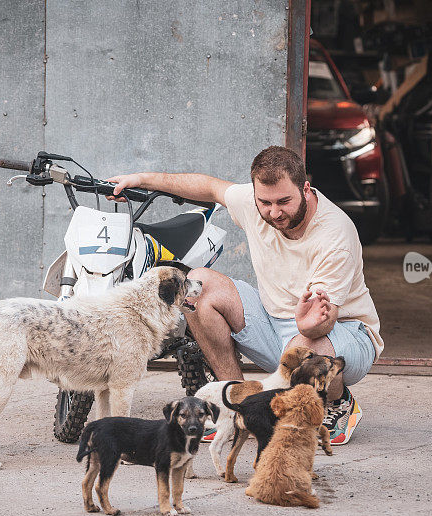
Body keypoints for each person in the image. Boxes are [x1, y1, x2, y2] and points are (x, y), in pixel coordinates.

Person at [109, 146, 383, 445]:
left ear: (305, 189)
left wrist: (305, 329)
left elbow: (320, 325)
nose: (274, 212)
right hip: (274, 322)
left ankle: (339, 401)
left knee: (306, 347)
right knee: (198, 285)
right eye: (265, 202)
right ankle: (238, 407)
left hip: (341, 336)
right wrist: (139, 179)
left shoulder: (335, 235)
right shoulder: (253, 203)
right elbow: (209, 187)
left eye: (284, 202)